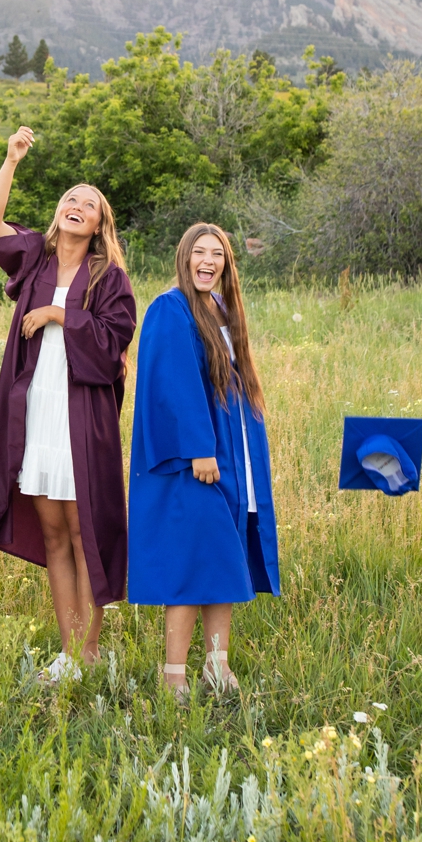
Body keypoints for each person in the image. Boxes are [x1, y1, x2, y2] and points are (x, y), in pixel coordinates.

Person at [0, 129, 137, 681]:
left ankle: (92, 648)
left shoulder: (108, 276)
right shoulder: (36, 257)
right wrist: (10, 159)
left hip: (81, 420)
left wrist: (63, 316)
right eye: (70, 198)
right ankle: (68, 652)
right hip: (34, 412)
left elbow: (115, 342)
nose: (76, 205)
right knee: (56, 536)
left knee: (85, 530)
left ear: (98, 224)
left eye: (88, 204)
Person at [129, 223, 279, 698]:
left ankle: (217, 666)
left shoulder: (221, 310)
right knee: (191, 565)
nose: (208, 261)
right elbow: (174, 384)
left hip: (232, 457)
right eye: (200, 251)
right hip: (197, 460)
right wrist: (199, 448)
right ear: (184, 256)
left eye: (218, 254)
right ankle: (174, 675)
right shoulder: (170, 308)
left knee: (222, 561)